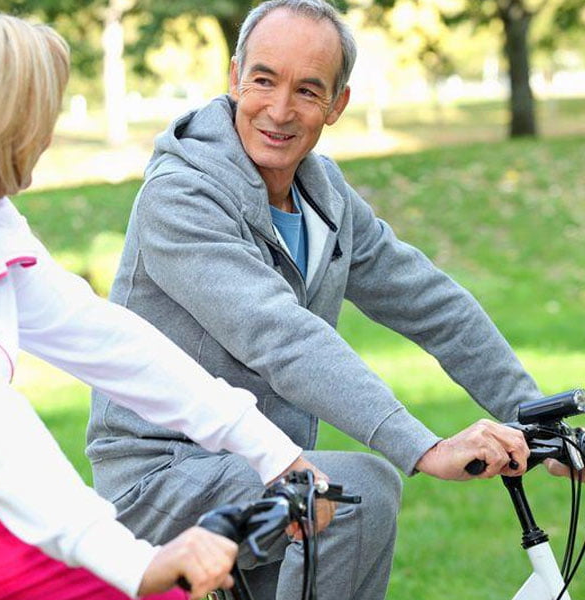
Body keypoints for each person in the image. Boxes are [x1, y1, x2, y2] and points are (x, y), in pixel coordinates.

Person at [0, 9, 326, 600]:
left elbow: (106, 341)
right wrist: (130, 560)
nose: (48, 133)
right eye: (43, 111)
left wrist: (273, 451)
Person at [86, 1, 540, 599]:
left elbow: (431, 304)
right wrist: (422, 445)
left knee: (339, 500)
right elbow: (279, 336)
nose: (279, 110)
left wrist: (532, 412)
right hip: (162, 478)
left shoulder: (324, 195)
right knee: (358, 493)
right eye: (264, 80)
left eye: (307, 90)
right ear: (234, 78)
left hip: (271, 469)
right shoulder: (180, 198)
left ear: (337, 105)